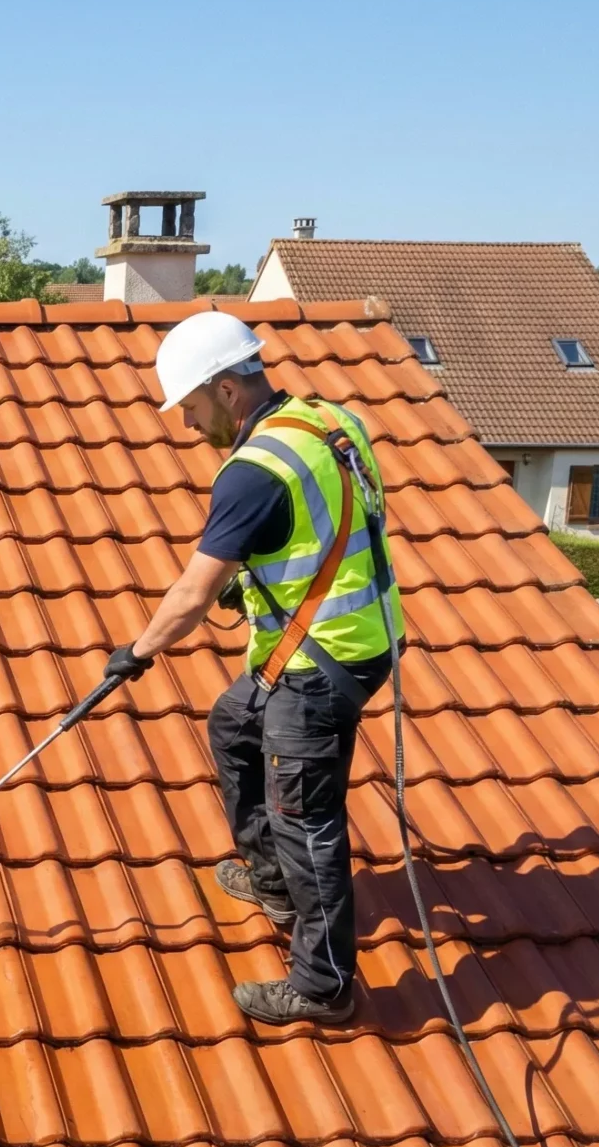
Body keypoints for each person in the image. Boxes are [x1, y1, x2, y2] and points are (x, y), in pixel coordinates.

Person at [100, 311, 401, 1025]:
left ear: (227, 389)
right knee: (235, 725)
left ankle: (324, 985)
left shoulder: (253, 473)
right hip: (351, 638)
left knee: (305, 815)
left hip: (322, 662)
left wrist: (137, 654)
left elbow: (192, 594)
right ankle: (271, 881)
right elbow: (328, 523)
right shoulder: (329, 422)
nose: (186, 424)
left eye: (192, 407)